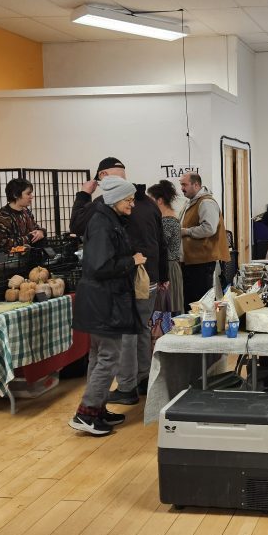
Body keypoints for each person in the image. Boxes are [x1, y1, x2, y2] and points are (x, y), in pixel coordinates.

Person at [70, 158, 169, 406]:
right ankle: (141, 379)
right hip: (149, 277)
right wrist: (163, 274)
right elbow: (161, 241)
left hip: (131, 280)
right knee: (140, 329)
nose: (131, 204)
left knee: (125, 337)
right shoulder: (145, 204)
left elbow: (76, 226)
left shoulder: (106, 207)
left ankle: (126, 388)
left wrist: (83, 195)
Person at [69, 176, 144, 436]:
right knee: (108, 357)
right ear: (115, 199)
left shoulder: (107, 218)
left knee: (98, 356)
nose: (132, 204)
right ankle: (86, 413)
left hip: (102, 299)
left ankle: (97, 410)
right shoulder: (102, 223)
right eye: (129, 199)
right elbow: (101, 266)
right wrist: (131, 261)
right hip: (105, 300)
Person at [179, 173, 230, 307]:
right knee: (191, 302)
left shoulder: (206, 202)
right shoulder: (191, 202)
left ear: (196, 185)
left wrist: (186, 231)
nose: (181, 188)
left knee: (200, 302)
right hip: (192, 260)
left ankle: (204, 327)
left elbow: (209, 228)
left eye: (184, 184)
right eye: (181, 185)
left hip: (202, 260)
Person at [147, 179, 184, 315]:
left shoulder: (167, 220)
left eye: (151, 199)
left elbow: (159, 244)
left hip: (168, 268)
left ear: (160, 200)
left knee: (168, 307)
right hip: (170, 266)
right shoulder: (169, 217)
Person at [0, 177, 46, 251]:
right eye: (28, 194)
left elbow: (35, 228)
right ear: (15, 195)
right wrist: (29, 238)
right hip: (11, 261)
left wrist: (41, 232)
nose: (32, 197)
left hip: (30, 258)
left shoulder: (26, 211)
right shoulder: (2, 217)